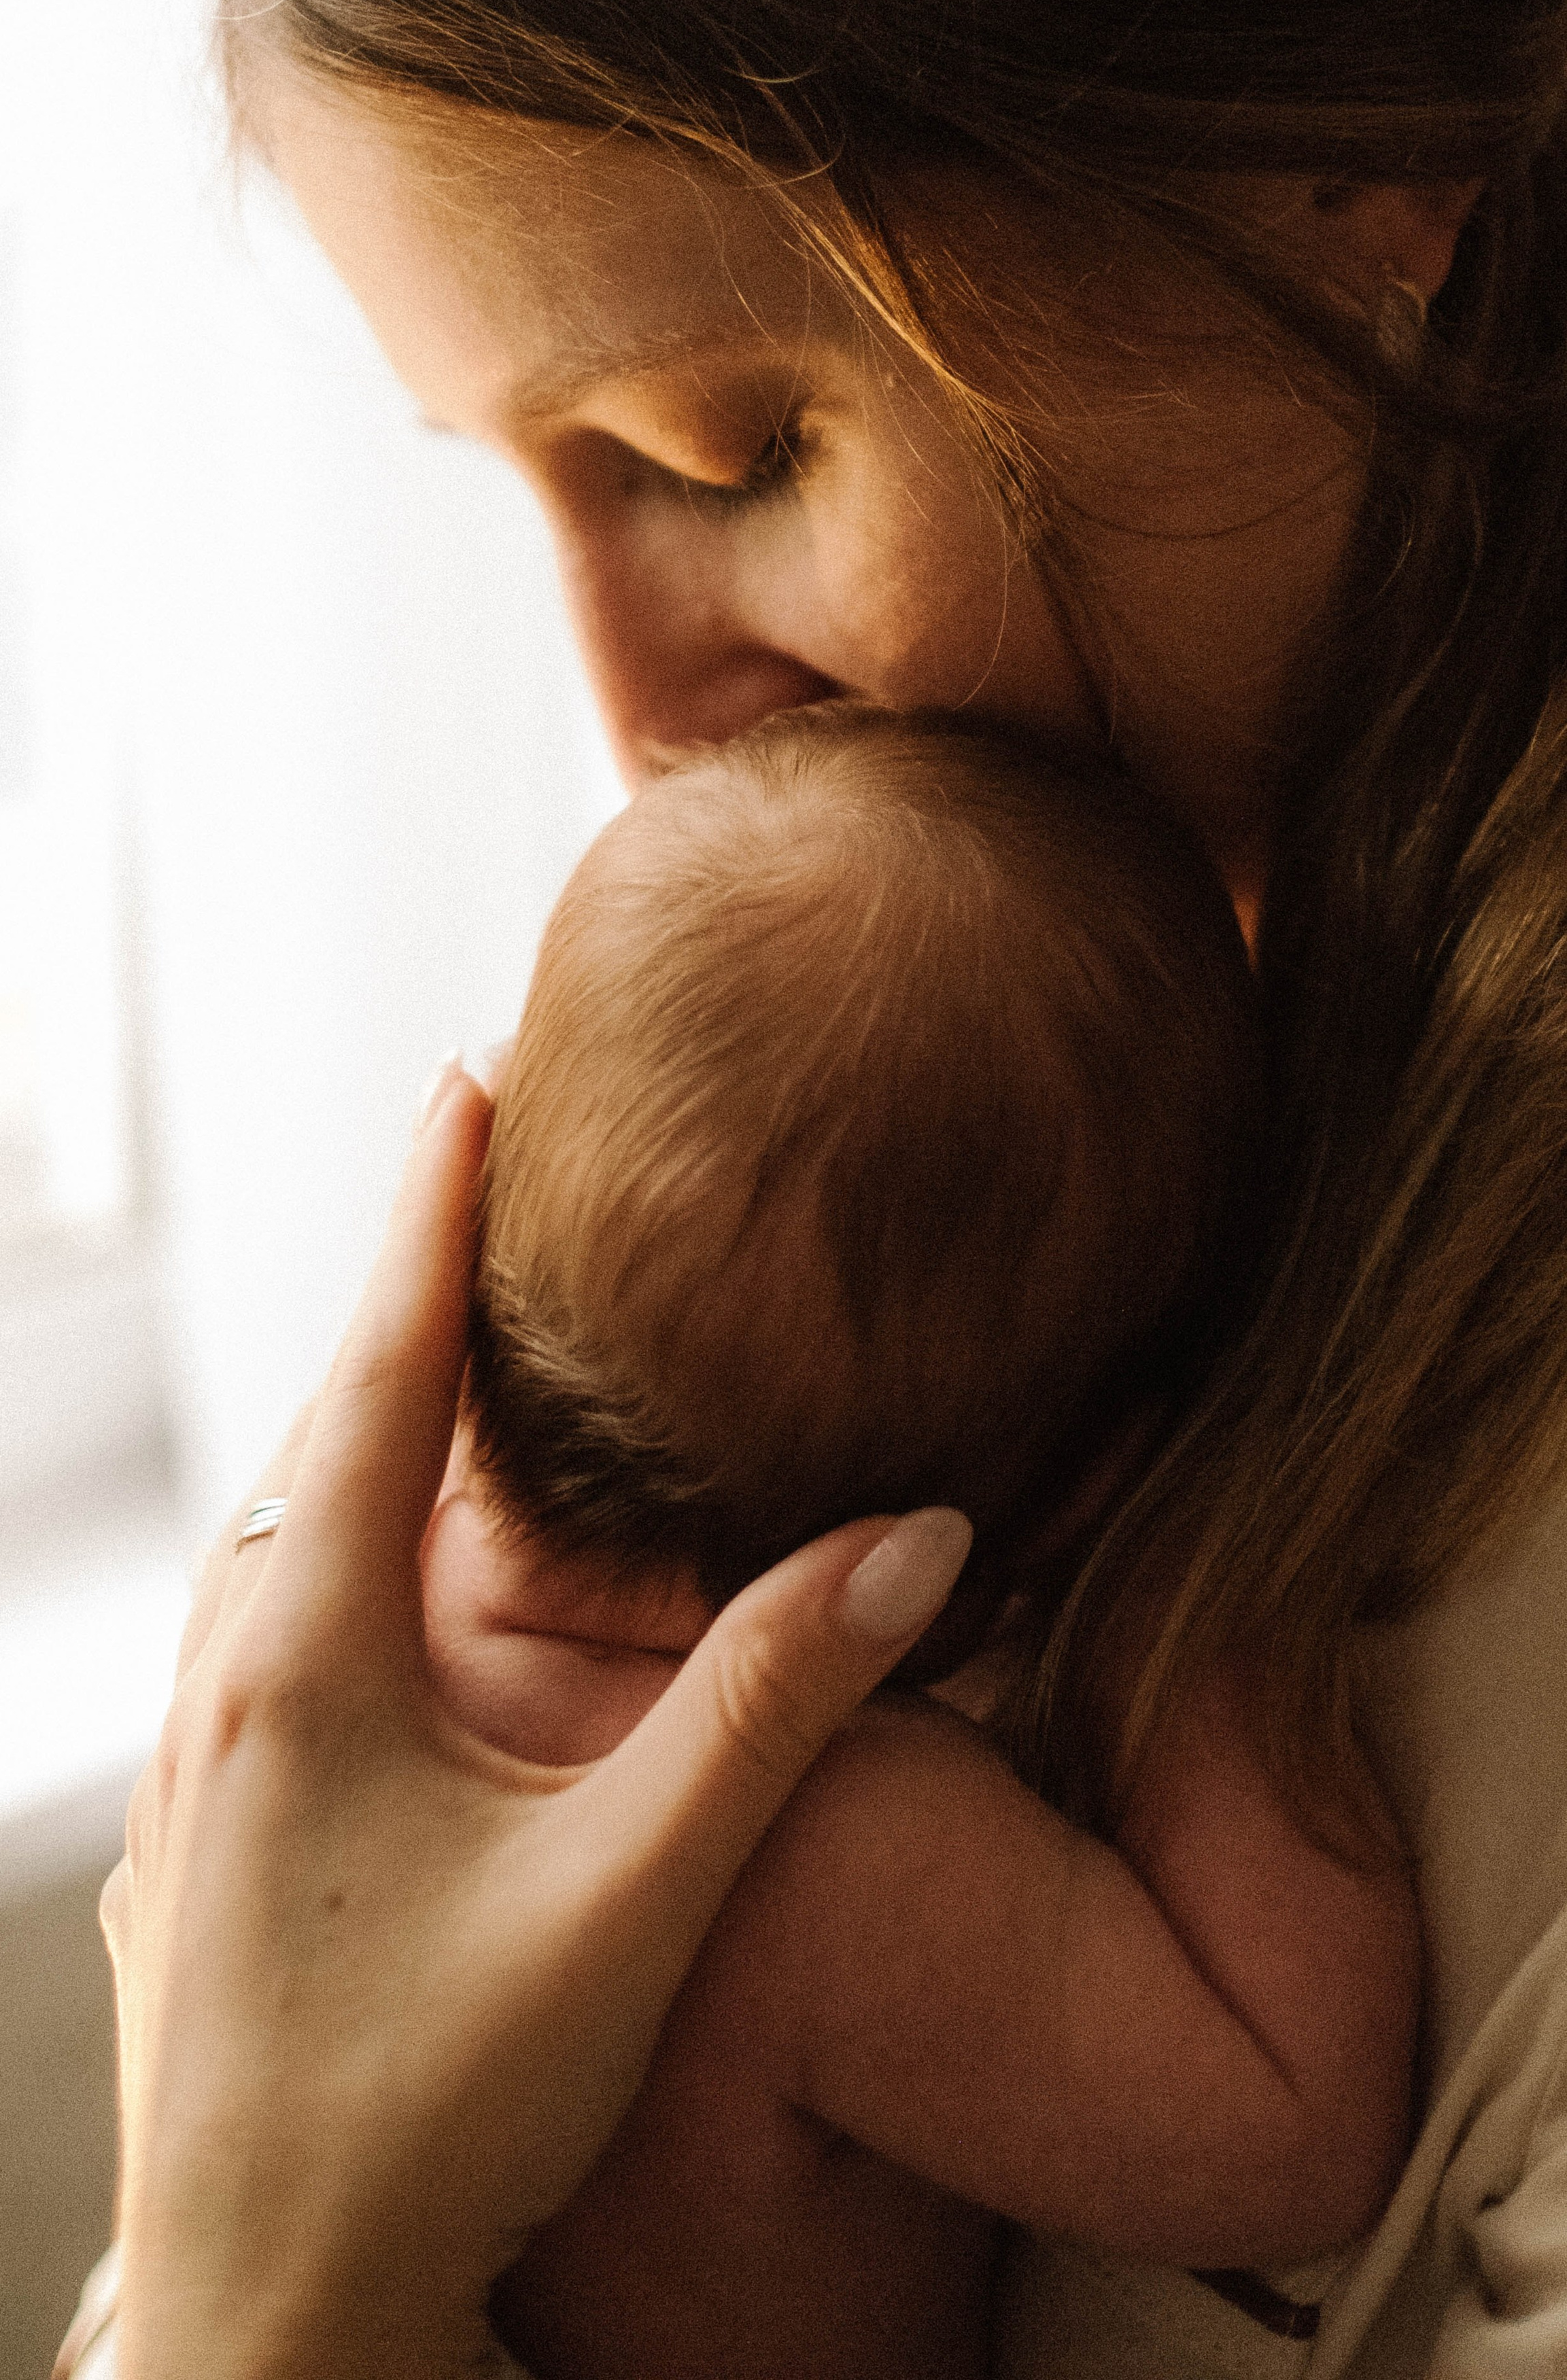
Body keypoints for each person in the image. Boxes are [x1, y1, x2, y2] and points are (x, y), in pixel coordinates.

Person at [78, 0, 1567, 2373]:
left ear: (1346, 145)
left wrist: (262, 2291)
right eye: (531, 495)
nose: (639, 724)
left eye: (734, 453)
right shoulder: (945, 1122)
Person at [417, 699, 1417, 2380]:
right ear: (1079, 1487)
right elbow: (1291, 2127)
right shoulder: (824, 1848)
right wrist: (1198, 1541)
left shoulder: (367, 1616)